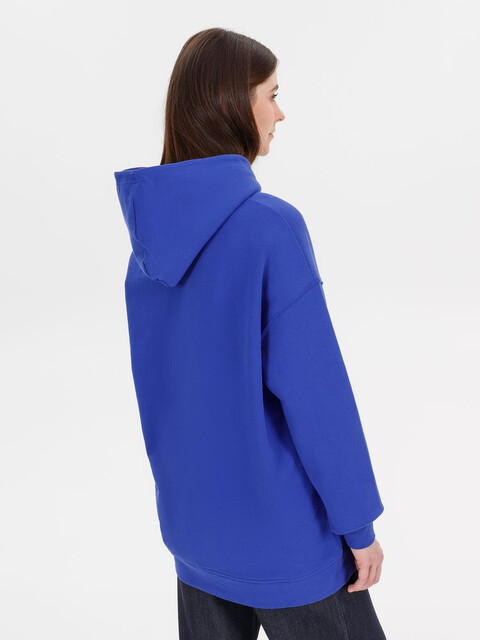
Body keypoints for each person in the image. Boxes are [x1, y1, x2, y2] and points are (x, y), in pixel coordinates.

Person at [114, 27, 387, 640]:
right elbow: (317, 395)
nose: (280, 113)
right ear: (232, 104)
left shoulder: (146, 251)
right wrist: (358, 525)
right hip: (287, 543)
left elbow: (163, 400)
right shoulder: (270, 230)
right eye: (272, 95)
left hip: (195, 537)